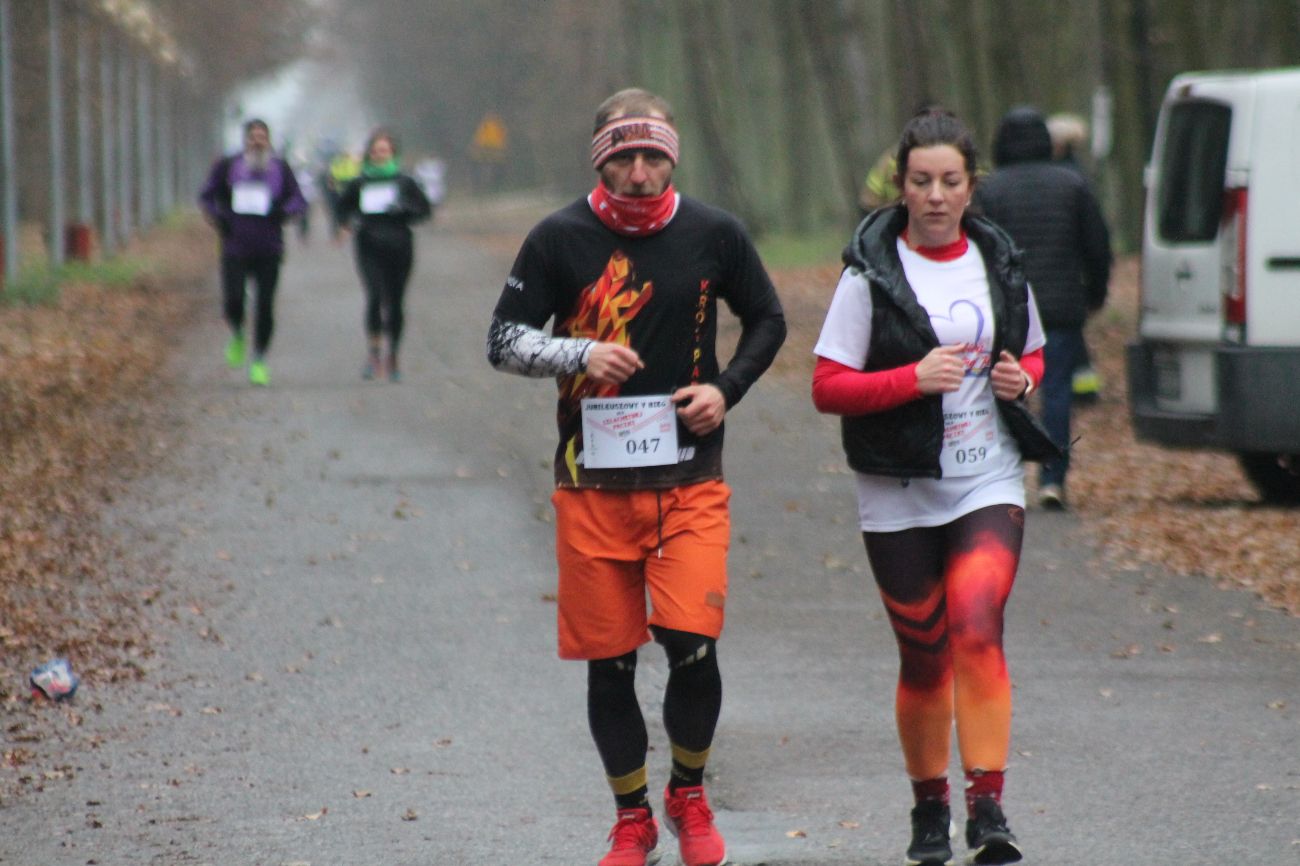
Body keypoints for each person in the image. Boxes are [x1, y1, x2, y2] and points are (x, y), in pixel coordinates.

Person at [486, 87, 785, 866]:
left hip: (689, 477)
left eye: (654, 155)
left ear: (673, 157)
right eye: (625, 156)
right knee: (610, 660)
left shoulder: (715, 233)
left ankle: (689, 793)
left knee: (693, 642)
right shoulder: (558, 238)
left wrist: (726, 389)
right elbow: (502, 341)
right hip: (591, 483)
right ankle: (632, 817)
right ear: (601, 159)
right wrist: (577, 353)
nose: (641, 172)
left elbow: (769, 319)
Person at [811, 108, 1061, 866]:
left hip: (986, 477)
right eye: (921, 181)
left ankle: (988, 810)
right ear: (902, 186)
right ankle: (929, 812)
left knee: (977, 628)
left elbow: (1036, 357)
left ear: (971, 187)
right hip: (898, 487)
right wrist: (908, 380)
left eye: (951, 181)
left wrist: (1021, 378)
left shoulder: (999, 264)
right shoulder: (869, 275)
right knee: (923, 655)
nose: (936, 196)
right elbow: (827, 386)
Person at [974, 106, 1112, 510]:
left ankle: (1005, 476)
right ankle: (1053, 477)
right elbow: (1097, 245)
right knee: (1056, 393)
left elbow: (978, 250)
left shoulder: (990, 189)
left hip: (1005, 309)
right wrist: (1095, 293)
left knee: (1006, 392)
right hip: (1061, 307)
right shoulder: (1072, 185)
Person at [198, 118, 307, 387]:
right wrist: (218, 217)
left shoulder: (280, 168)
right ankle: (237, 332)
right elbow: (206, 196)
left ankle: (259, 358)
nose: (257, 141)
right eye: (252, 136)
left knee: (265, 305)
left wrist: (286, 212)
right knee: (233, 300)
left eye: (262, 136)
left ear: (268, 140)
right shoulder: (228, 166)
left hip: (269, 246)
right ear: (245, 140)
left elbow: (298, 199)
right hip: (235, 244)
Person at [334, 128, 432, 382]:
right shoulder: (360, 182)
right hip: (368, 247)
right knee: (374, 296)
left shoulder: (404, 182)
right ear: (369, 154)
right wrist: (346, 224)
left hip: (400, 247)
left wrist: (404, 209)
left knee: (396, 302)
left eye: (385, 151)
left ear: (393, 154)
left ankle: (394, 354)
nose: (380, 155)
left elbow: (424, 210)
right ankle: (374, 352)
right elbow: (341, 209)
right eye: (376, 151)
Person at [1045, 112, 1103, 406]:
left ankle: (1082, 385)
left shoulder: (1066, 177)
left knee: (1070, 337)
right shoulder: (1077, 175)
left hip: (1066, 266)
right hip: (1072, 269)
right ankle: (1084, 383)